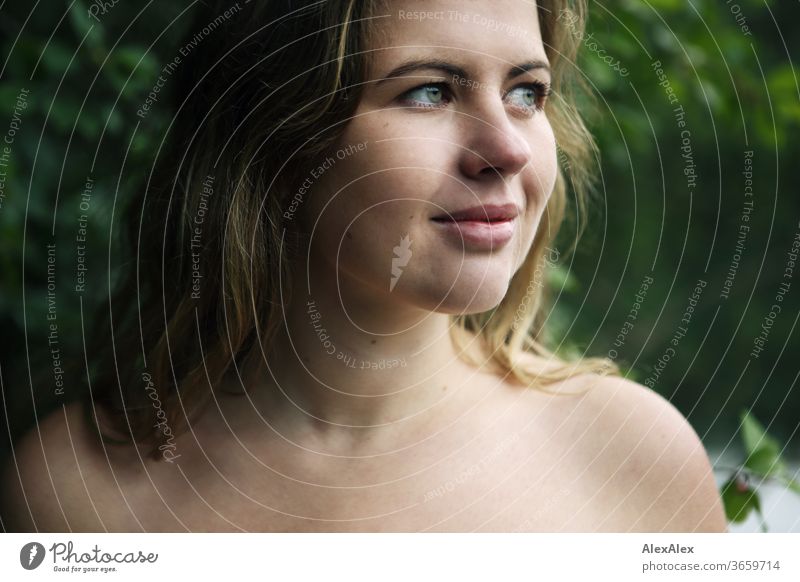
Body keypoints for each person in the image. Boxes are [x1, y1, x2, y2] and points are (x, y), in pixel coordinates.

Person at [2, 0, 727, 532]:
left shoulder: (632, 458)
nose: (507, 149)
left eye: (525, 92)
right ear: (276, 141)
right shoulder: (74, 492)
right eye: (429, 91)